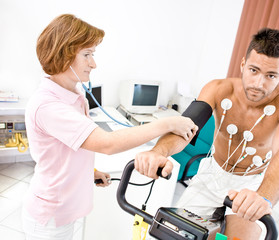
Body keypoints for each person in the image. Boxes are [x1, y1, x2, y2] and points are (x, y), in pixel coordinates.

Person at [22, 14, 198, 240]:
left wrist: (90, 173)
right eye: (87, 55)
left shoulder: (73, 94)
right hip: (49, 217)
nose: (93, 64)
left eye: (92, 55)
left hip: (64, 211)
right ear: (64, 54)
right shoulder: (48, 105)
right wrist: (168, 123)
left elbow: (64, 152)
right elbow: (107, 143)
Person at [135, 28, 279, 239]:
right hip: (211, 174)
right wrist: (158, 152)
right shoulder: (217, 88)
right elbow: (186, 127)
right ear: (243, 65)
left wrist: (264, 197)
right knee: (176, 233)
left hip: (251, 184)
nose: (258, 84)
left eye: (271, 75)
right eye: (253, 70)